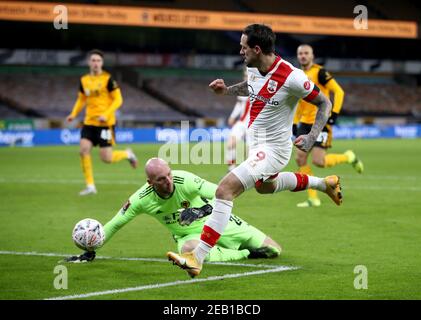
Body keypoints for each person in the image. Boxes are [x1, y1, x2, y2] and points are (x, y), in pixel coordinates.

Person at [167, 24, 342, 278]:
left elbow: (324, 102)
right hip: (257, 145)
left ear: (257, 49)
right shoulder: (254, 67)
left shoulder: (292, 77)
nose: (240, 51)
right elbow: (251, 88)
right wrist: (226, 91)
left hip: (274, 149)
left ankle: (197, 257)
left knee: (224, 190)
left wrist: (312, 136)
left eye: (243, 46)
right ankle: (325, 184)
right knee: (265, 187)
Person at [65, 158, 282, 263]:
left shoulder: (184, 179)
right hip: (189, 235)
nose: (169, 181)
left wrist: (200, 211)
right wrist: (92, 249)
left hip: (221, 222)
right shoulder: (141, 199)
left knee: (275, 251)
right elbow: (116, 223)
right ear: (150, 182)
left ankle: (245, 247)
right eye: (162, 179)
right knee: (191, 252)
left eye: (169, 174)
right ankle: (244, 254)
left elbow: (222, 192)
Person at [293, 44, 364, 208]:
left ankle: (348, 157)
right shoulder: (297, 75)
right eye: (300, 53)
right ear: (297, 57)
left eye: (306, 53)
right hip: (304, 123)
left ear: (312, 56)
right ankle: (313, 198)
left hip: (321, 122)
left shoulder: (320, 72)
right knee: (300, 158)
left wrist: (335, 113)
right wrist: (295, 123)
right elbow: (298, 102)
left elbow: (339, 92)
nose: (303, 56)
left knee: (319, 161)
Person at [66, 49, 138, 196]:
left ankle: (127, 154)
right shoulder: (84, 80)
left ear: (102, 63)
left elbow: (119, 99)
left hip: (105, 124)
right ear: (89, 62)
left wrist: (106, 114)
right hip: (89, 122)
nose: (96, 63)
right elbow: (81, 99)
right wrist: (73, 114)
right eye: (93, 60)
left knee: (107, 158)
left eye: (98, 60)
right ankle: (90, 186)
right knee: (83, 150)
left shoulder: (108, 79)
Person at [226, 71, 251, 171]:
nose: (246, 77)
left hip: (254, 126)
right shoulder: (243, 89)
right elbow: (239, 105)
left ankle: (249, 173)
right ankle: (231, 169)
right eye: (245, 75)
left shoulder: (262, 88)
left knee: (251, 152)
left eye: (248, 75)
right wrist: (232, 116)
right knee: (230, 143)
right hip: (242, 123)